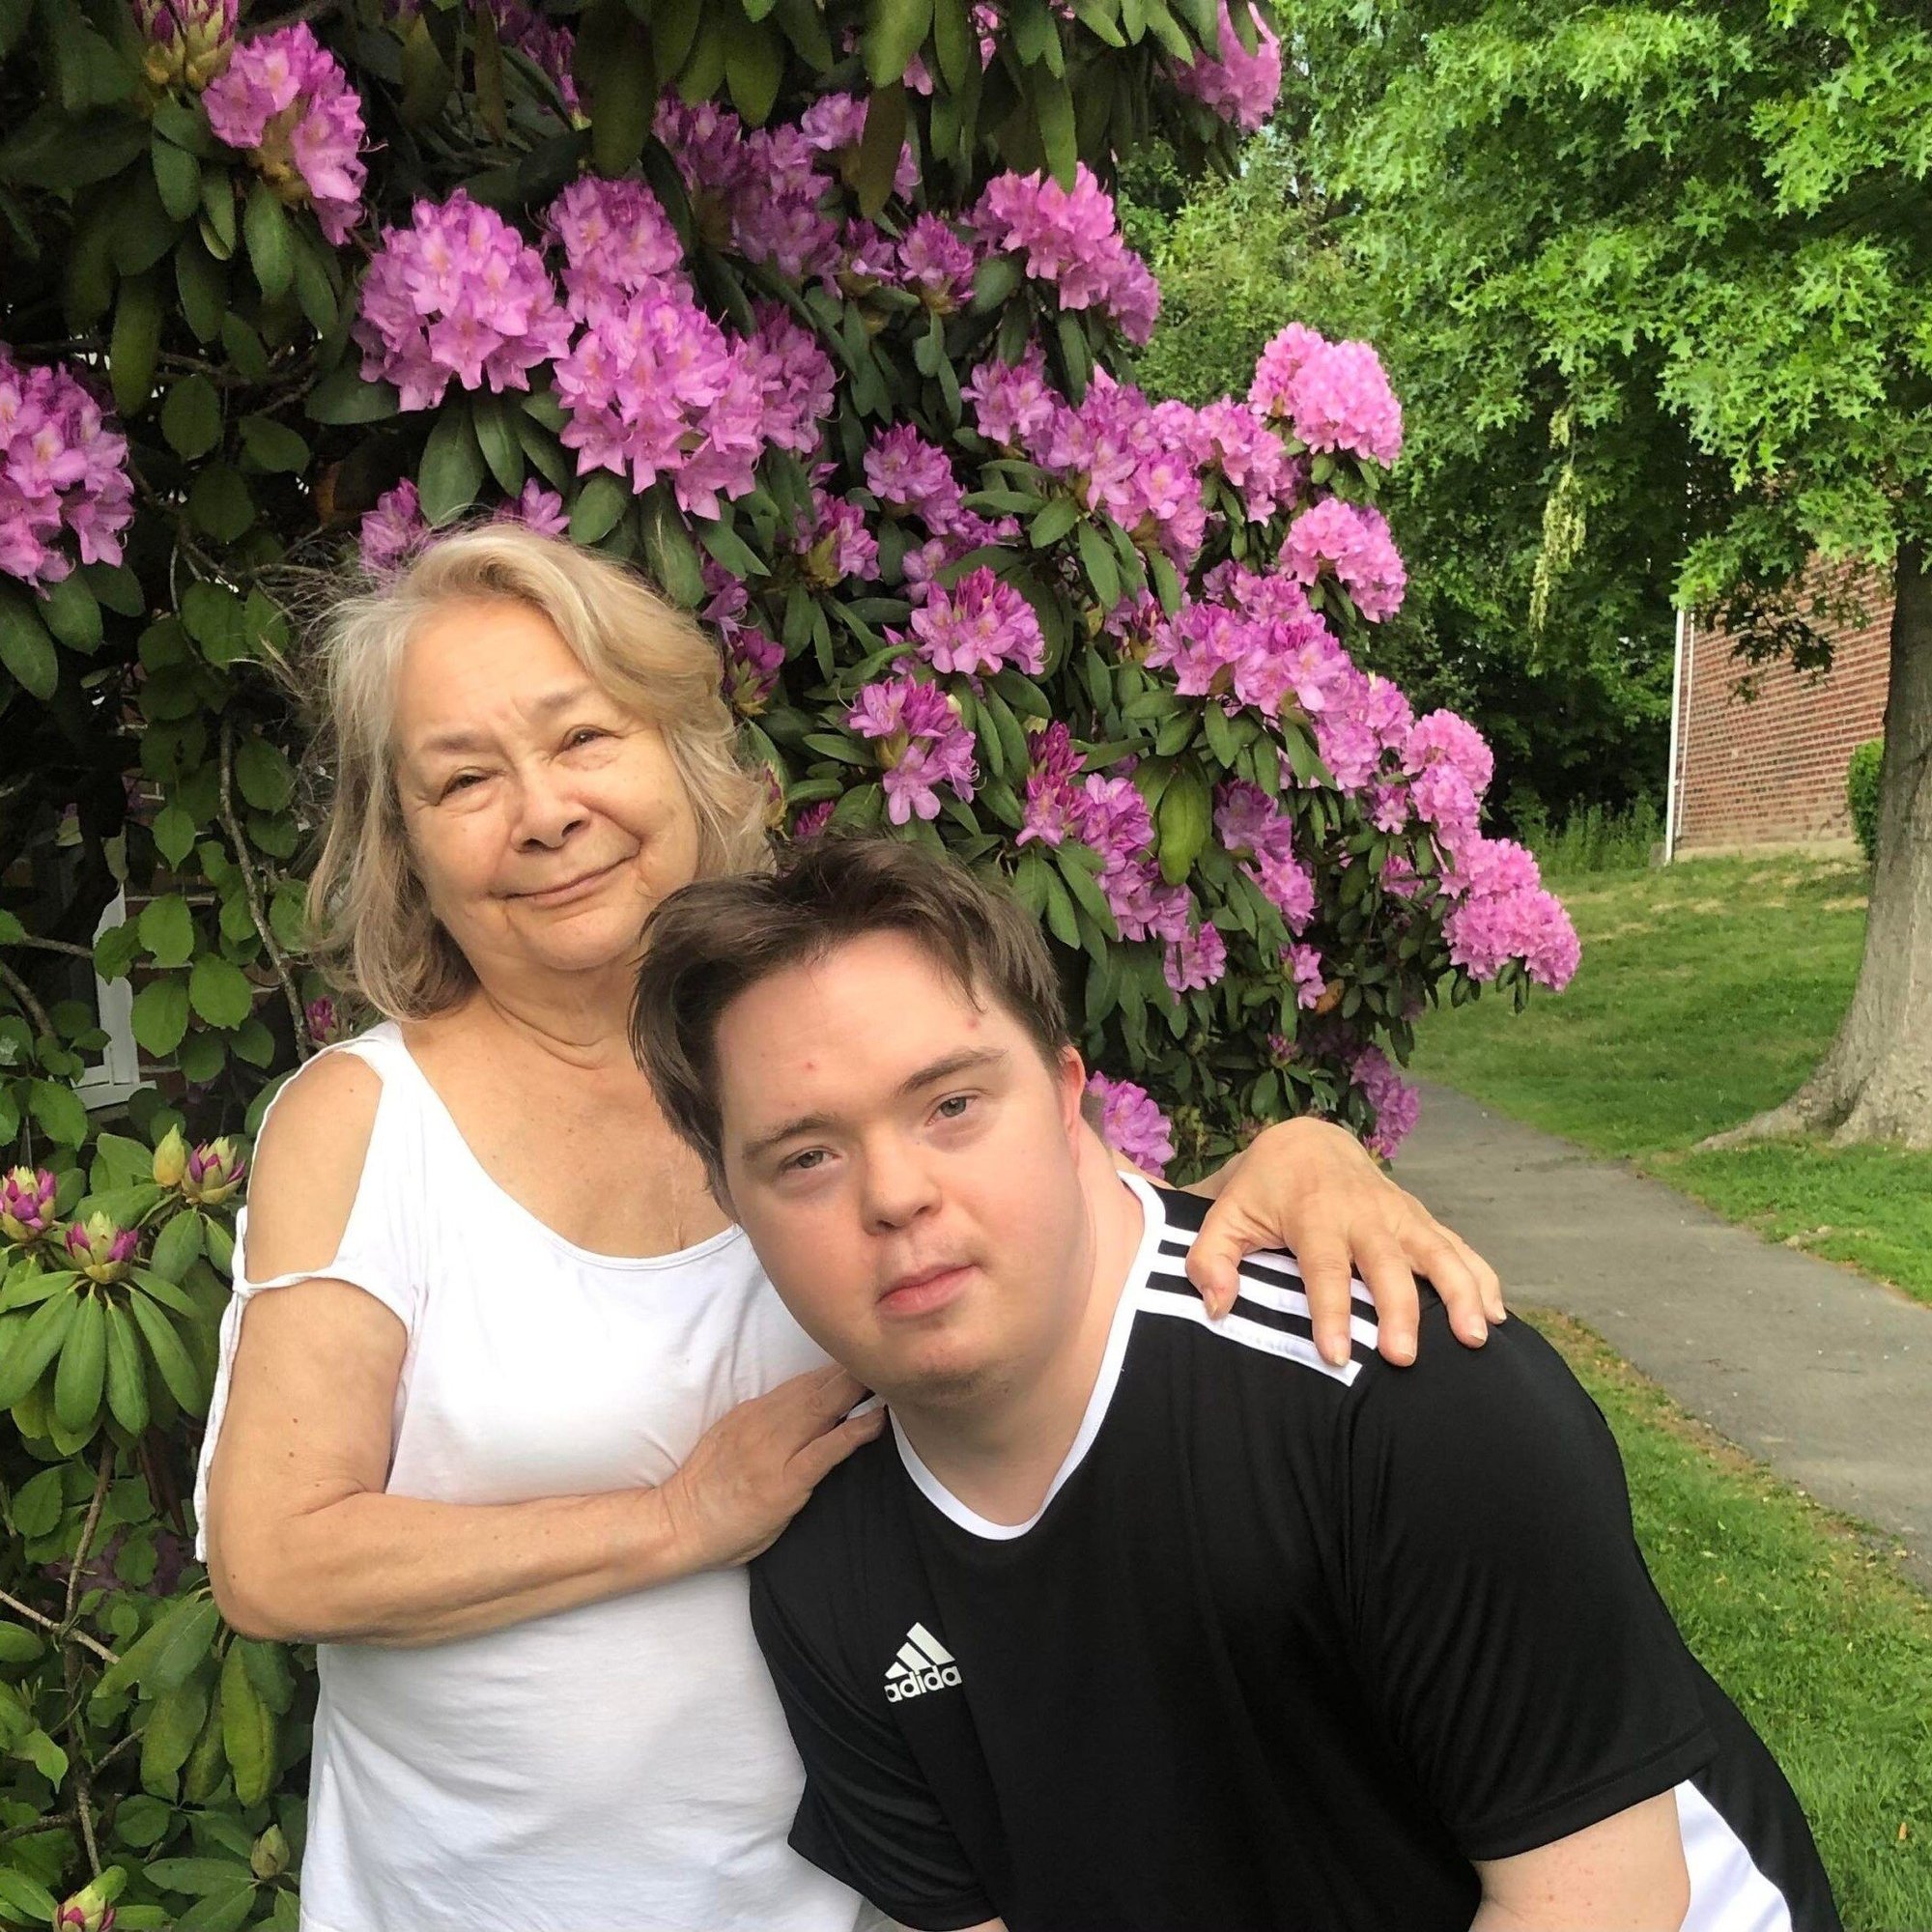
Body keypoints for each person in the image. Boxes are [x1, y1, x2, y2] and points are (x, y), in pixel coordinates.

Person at [197, 524, 1508, 1932]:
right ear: (404, 845)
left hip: (891, 1896)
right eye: (463, 778)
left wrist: (1302, 1156)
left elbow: (1068, 1248)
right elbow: (277, 1557)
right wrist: (671, 1521)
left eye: (585, 736)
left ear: (684, 757)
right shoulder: (364, 1122)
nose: (542, 812)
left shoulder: (820, 1048)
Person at [632, 837, 1841, 1932]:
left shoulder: (1395, 1398)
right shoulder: (824, 1553)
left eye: (950, 1103)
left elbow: (1600, 1903)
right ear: (733, 1202)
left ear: (1065, 1101)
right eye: (804, 1155)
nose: (891, 1193)